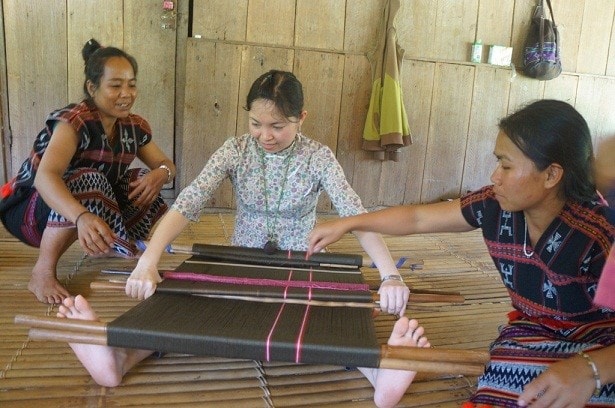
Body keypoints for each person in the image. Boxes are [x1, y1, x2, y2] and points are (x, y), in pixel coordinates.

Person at [55, 70, 421, 408]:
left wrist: (390, 275)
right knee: (183, 300)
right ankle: (120, 357)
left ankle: (378, 371)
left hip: (300, 266)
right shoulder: (235, 150)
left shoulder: (318, 158)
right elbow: (187, 202)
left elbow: (356, 216)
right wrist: (148, 261)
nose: (265, 135)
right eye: (256, 123)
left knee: (330, 314)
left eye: (278, 126)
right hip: (240, 265)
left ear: (301, 118)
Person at [307, 99, 615, 408]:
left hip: (603, 349)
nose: (495, 176)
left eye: (506, 166)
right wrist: (348, 224)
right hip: (534, 333)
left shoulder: (599, 234)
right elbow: (419, 218)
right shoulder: (494, 206)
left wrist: (589, 370)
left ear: (551, 175)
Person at [0, 39, 175, 304]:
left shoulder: (134, 126)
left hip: (78, 208)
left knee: (141, 180)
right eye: (115, 86)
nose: (126, 93)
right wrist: (81, 217)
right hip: (30, 213)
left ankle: (116, 245)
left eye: (131, 84)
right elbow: (46, 177)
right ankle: (42, 271)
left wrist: (160, 173)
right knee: (89, 180)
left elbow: (166, 165)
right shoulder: (75, 120)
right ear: (92, 88)